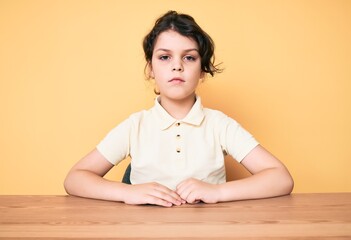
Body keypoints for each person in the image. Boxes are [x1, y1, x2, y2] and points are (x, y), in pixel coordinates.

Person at [64, 10, 294, 207]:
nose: (177, 66)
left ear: (202, 71)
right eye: (164, 57)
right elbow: (75, 179)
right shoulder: (136, 126)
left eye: (189, 58)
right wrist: (128, 193)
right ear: (150, 69)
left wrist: (218, 192)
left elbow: (281, 178)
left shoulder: (219, 124)